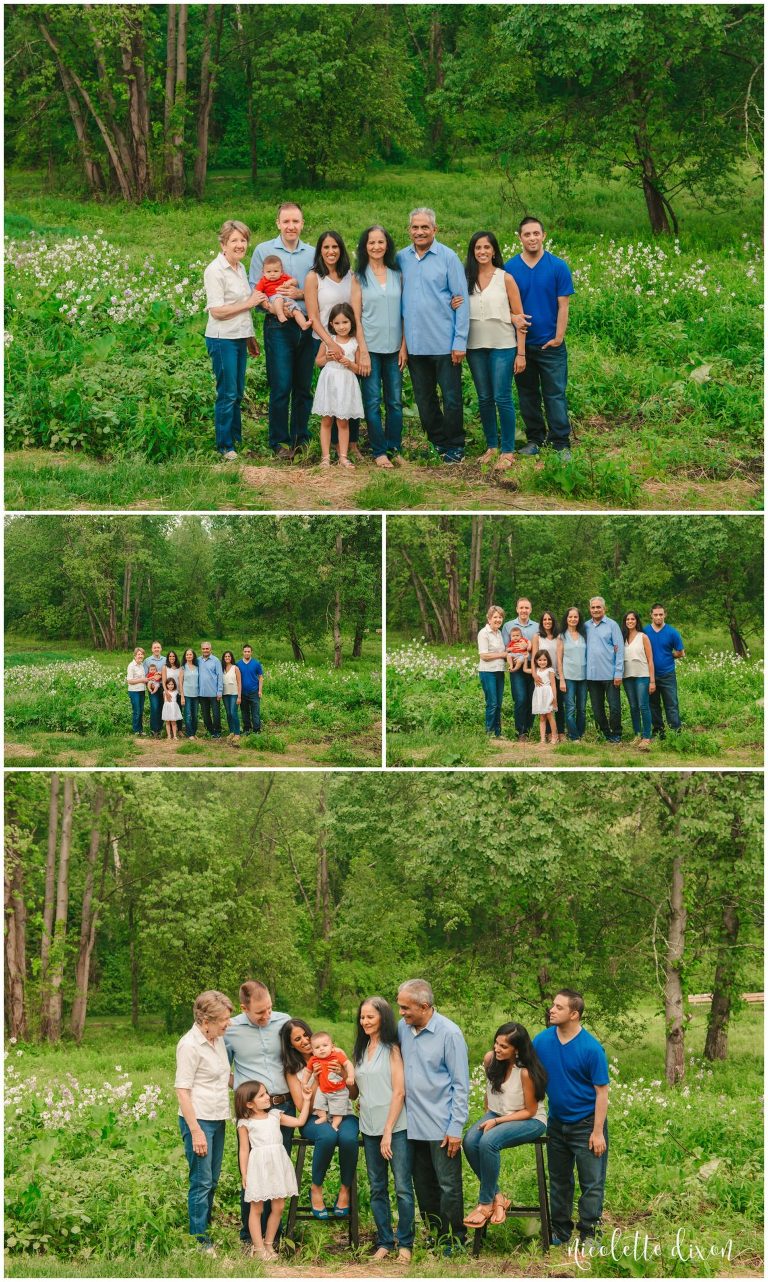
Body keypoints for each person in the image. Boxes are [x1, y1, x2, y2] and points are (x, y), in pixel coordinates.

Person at [533, 990, 609, 1248]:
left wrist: (597, 1132)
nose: (551, 1010)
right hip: (557, 1123)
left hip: (587, 1124)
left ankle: (590, 1234)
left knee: (592, 1182)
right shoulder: (542, 1041)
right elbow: (523, 1067)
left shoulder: (590, 1048)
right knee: (559, 1180)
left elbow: (602, 1093)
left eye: (559, 1007)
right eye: (552, 1005)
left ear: (574, 1014)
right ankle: (561, 1231)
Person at [397, 979, 469, 1248]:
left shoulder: (450, 1034)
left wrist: (455, 1127)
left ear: (424, 1006)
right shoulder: (402, 1029)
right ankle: (436, 1235)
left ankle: (454, 1238)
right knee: (423, 1185)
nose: (402, 1012)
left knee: (448, 1185)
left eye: (406, 1008)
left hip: (441, 1125)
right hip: (411, 1123)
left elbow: (461, 1084)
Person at [397, 208, 470, 464]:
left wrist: (460, 341)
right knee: (424, 400)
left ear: (435, 230)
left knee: (451, 398)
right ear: (409, 230)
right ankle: (438, 441)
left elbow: (462, 301)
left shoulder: (448, 257)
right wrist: (402, 344)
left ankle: (456, 444)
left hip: (444, 343)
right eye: (415, 227)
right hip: (416, 345)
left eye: (425, 227)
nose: (419, 232)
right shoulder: (401, 258)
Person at [225, 980, 293, 1249]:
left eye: (269, 1010)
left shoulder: (284, 1022)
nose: (266, 1016)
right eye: (259, 1013)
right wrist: (245, 1094)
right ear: (244, 1008)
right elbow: (221, 1069)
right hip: (252, 1112)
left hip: (283, 1107)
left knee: (276, 1171)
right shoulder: (230, 1030)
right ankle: (249, 1238)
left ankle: (272, 1238)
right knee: (253, 1173)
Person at [462, 1022, 548, 1229]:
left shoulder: (525, 1073)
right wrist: (488, 1116)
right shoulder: (490, 1060)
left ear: (517, 1049)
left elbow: (530, 1110)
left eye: (504, 1047)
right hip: (496, 1112)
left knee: (488, 1142)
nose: (497, 1049)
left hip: (530, 1119)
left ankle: (484, 1205)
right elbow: (489, 1092)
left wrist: (497, 1122)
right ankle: (498, 1197)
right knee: (470, 1141)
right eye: (496, 1044)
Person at [248, 202, 316, 459]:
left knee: (303, 385)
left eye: (295, 221)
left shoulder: (312, 253)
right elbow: (255, 289)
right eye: (286, 221)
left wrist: (299, 295)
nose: (291, 226)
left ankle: (301, 438)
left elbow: (319, 288)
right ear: (278, 223)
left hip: (307, 324)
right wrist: (276, 308)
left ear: (302, 223)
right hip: (277, 325)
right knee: (280, 385)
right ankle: (279, 442)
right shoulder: (263, 250)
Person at [503, 216, 575, 457]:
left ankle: (561, 442)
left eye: (536, 233)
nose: (532, 238)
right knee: (527, 395)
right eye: (527, 234)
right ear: (519, 237)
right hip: (521, 345)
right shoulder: (510, 268)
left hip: (550, 345)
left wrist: (558, 337)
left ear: (544, 235)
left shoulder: (557, 266)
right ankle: (535, 439)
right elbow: (506, 306)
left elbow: (563, 305)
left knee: (555, 394)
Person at [354, 995, 415, 1263]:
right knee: (377, 1187)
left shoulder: (392, 1049)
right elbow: (357, 1092)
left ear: (382, 1018)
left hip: (395, 1128)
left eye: (370, 1016)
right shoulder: (361, 1049)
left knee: (402, 1186)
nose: (365, 1021)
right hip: (368, 1128)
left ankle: (405, 1243)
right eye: (362, 1016)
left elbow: (399, 1092)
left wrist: (388, 1130)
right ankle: (383, 1241)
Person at [280, 1018, 360, 1220]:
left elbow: (353, 1094)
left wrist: (341, 1072)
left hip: (344, 1112)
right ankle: (316, 1188)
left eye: (306, 1034)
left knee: (349, 1138)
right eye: (298, 1039)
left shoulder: (334, 1053)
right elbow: (300, 1105)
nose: (305, 1041)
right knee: (327, 1136)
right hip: (313, 1117)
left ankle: (345, 1189)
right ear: (291, 1044)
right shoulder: (293, 1070)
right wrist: (317, 1078)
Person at [175, 989, 233, 1254]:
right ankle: (198, 1242)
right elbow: (182, 1090)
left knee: (213, 1179)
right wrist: (196, 1131)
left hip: (218, 1117)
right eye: (223, 1019)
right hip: (198, 1121)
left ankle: (205, 1230)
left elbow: (224, 1077)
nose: (228, 1023)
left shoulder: (216, 1039)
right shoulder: (189, 1045)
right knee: (201, 1181)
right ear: (205, 1020)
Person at [464, 230, 527, 469]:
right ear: (473, 251)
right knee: (484, 398)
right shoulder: (465, 278)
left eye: (486, 248)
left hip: (503, 345)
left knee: (502, 396)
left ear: (494, 251)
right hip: (475, 346)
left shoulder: (505, 278)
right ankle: (492, 446)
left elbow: (520, 318)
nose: (482, 252)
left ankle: (508, 450)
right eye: (478, 248)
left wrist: (521, 353)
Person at [203, 220, 264, 460]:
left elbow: (241, 308)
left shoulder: (239, 267)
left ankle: (236, 440)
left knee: (237, 391)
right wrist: (249, 303)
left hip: (239, 337)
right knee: (227, 392)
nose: (240, 245)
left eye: (243, 240)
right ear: (223, 244)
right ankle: (225, 446)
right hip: (222, 338)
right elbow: (217, 310)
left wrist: (250, 337)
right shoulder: (215, 270)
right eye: (234, 240)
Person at [236, 1079, 312, 1261]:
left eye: (266, 1092)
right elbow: (244, 1149)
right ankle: (258, 1248)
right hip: (258, 1166)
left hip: (278, 1163)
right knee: (257, 1208)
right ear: (249, 1103)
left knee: (279, 1205)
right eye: (261, 1095)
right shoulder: (245, 1123)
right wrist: (244, 1174)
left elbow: (300, 1121)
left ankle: (269, 1244)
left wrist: (307, 1100)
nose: (267, 1097)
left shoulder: (275, 1115)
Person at [304, 230, 364, 458]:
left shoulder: (351, 275)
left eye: (335, 247)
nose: (331, 251)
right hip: (324, 340)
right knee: (331, 395)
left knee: (349, 393)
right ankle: (328, 449)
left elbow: (357, 311)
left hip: (348, 341)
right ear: (320, 250)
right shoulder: (313, 277)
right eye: (326, 247)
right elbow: (313, 316)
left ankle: (350, 445)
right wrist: (330, 344)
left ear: (341, 249)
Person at [356, 225, 404, 468]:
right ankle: (379, 451)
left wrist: (404, 346)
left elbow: (404, 314)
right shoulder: (359, 277)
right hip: (371, 350)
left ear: (387, 245)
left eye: (380, 242)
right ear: (365, 247)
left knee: (395, 402)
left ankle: (395, 447)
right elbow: (356, 317)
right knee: (373, 402)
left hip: (395, 348)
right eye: (371, 242)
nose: (376, 247)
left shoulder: (397, 273)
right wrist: (362, 351)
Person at [312, 303, 364, 468]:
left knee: (343, 421)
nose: (341, 327)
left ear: (351, 323)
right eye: (337, 323)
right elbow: (317, 361)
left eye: (345, 322)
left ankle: (343, 456)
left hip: (346, 383)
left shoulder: (355, 343)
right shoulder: (329, 341)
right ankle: (325, 457)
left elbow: (358, 368)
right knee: (326, 420)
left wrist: (348, 363)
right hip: (329, 382)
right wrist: (328, 358)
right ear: (331, 325)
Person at [584, 598, 623, 743]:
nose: (595, 610)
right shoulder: (585, 626)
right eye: (593, 607)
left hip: (610, 674)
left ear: (604, 609)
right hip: (591, 675)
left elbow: (619, 651)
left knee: (614, 706)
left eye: (598, 607)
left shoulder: (612, 625)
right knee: (597, 708)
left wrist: (618, 673)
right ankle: (605, 733)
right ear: (590, 609)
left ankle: (616, 733)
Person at [644, 605, 685, 737]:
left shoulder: (672, 632)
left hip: (667, 674)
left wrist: (669, 656)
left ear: (665, 614)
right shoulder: (645, 631)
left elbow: (681, 652)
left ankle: (675, 733)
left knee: (671, 704)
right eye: (655, 615)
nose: (658, 617)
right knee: (653, 705)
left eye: (661, 614)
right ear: (651, 615)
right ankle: (658, 732)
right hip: (650, 675)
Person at [502, 599, 539, 740]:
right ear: (517, 609)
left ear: (530, 610)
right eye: (521, 607)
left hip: (532, 665)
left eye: (527, 608)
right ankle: (520, 732)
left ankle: (528, 730)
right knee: (520, 698)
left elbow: (540, 647)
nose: (524, 610)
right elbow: (506, 647)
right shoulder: (508, 626)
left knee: (532, 699)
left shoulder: (537, 626)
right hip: (517, 667)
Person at [306, 1031, 355, 1131]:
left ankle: (335, 1124)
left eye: (325, 1045)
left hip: (338, 1090)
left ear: (332, 1047)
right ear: (313, 1051)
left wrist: (350, 1076)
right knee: (319, 1105)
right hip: (323, 1090)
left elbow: (348, 1064)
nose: (321, 1049)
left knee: (338, 1110)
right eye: (317, 1047)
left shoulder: (337, 1055)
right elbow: (307, 1072)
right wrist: (304, 1083)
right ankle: (323, 1117)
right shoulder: (313, 1060)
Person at [622, 612, 656, 751]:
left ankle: (646, 737)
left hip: (642, 675)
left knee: (643, 706)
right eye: (628, 619)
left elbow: (650, 660)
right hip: (627, 676)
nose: (630, 621)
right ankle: (637, 735)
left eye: (632, 619)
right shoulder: (622, 638)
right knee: (633, 706)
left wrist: (652, 680)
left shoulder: (643, 637)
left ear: (637, 621)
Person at [531, 610, 565, 740]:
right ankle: (549, 733)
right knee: (546, 706)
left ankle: (560, 732)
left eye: (549, 619)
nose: (547, 622)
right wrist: (534, 674)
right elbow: (534, 656)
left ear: (553, 621)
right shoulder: (537, 636)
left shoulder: (559, 637)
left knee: (558, 704)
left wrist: (561, 677)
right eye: (544, 620)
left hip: (555, 674)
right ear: (541, 622)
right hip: (542, 676)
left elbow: (560, 657)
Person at [254, 255, 312, 329]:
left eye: (276, 271)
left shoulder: (284, 277)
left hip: (288, 298)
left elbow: (295, 281)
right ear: (263, 273)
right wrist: (264, 300)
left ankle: (303, 324)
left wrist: (290, 282)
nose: (272, 274)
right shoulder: (263, 281)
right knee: (279, 299)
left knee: (296, 310)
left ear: (281, 272)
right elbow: (257, 292)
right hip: (274, 298)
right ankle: (280, 315)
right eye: (268, 272)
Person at [557, 608, 588, 742]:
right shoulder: (561, 636)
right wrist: (562, 680)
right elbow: (559, 659)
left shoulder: (584, 634)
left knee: (581, 709)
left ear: (579, 619)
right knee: (570, 709)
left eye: (575, 617)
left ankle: (580, 734)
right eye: (570, 617)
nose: (573, 619)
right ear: (566, 618)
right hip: (569, 678)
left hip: (584, 678)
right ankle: (574, 737)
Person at [477, 605, 508, 739]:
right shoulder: (484, 633)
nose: (498, 619)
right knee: (492, 703)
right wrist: (502, 654)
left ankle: (498, 733)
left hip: (499, 671)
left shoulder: (499, 633)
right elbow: (484, 655)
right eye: (495, 617)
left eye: (500, 617)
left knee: (499, 703)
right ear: (489, 619)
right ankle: (489, 734)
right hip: (487, 672)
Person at [197, 641, 223, 739]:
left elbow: (220, 676)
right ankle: (210, 731)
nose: (205, 650)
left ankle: (217, 731)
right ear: (201, 650)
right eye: (203, 649)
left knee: (216, 713)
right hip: (202, 693)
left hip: (213, 692)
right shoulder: (198, 660)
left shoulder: (216, 660)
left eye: (207, 648)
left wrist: (219, 691)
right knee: (205, 714)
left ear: (210, 649)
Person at [531, 651, 558, 745]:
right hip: (539, 695)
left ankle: (554, 737)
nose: (542, 662)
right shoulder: (536, 670)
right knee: (542, 717)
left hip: (548, 694)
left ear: (548, 660)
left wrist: (554, 698)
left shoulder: (550, 670)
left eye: (544, 660)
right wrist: (526, 657)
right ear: (536, 661)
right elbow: (525, 669)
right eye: (540, 660)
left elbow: (553, 685)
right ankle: (542, 739)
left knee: (550, 715)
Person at [237, 645, 264, 735]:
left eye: (248, 651)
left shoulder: (256, 663)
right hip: (243, 692)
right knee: (244, 712)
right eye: (245, 651)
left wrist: (260, 691)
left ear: (251, 652)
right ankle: (247, 729)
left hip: (254, 692)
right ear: (242, 652)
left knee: (255, 712)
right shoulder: (238, 664)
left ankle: (256, 730)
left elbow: (260, 677)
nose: (247, 653)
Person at [143, 641, 167, 738]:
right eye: (155, 647)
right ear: (152, 649)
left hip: (163, 686)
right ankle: (154, 730)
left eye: (158, 647)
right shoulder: (147, 661)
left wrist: (160, 674)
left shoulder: (165, 659)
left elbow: (168, 673)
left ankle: (160, 729)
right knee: (155, 707)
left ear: (161, 649)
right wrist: (150, 683)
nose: (156, 649)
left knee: (161, 707)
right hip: (152, 686)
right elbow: (145, 675)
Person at [221, 650, 242, 743]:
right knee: (228, 713)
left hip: (234, 694)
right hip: (225, 694)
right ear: (223, 658)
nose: (227, 658)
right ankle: (231, 732)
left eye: (229, 656)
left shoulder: (235, 668)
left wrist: (239, 696)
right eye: (225, 657)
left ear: (231, 658)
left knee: (234, 713)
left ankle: (237, 733)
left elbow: (239, 683)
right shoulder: (222, 668)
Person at [126, 646, 147, 736]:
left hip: (141, 690)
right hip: (134, 691)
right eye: (139, 654)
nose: (140, 656)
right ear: (135, 655)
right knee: (137, 711)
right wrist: (143, 680)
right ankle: (135, 730)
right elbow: (130, 681)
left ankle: (140, 730)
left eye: (142, 654)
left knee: (141, 711)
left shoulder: (142, 665)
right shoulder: (131, 666)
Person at [179, 648, 200, 740]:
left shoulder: (197, 667)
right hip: (186, 695)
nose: (189, 656)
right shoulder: (183, 668)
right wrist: (182, 696)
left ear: (193, 656)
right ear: (185, 656)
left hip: (196, 695)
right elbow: (180, 682)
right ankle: (189, 734)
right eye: (187, 655)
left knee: (195, 715)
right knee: (187, 714)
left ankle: (194, 733)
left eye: (190, 654)